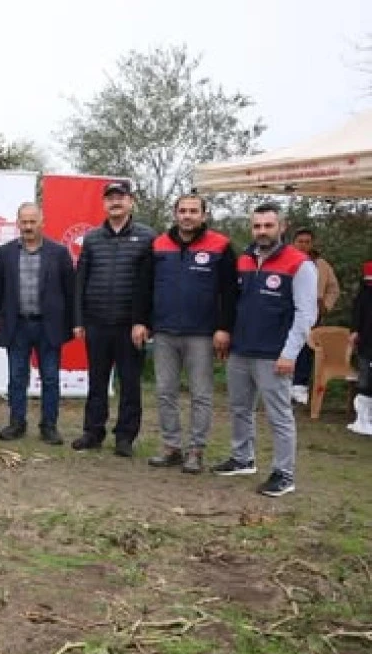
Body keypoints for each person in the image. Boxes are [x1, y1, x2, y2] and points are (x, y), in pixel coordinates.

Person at [212, 203, 317, 497]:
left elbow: (306, 313)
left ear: (282, 227)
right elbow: (235, 303)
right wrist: (228, 336)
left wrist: (290, 353)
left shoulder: (299, 263)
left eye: (268, 226)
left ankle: (285, 474)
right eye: (257, 226)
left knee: (279, 415)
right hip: (241, 349)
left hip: (274, 354)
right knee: (239, 408)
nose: (262, 231)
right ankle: (243, 458)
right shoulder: (244, 259)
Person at [133, 195, 237, 474]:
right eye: (183, 211)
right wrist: (140, 321)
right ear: (175, 214)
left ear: (204, 215)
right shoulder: (158, 245)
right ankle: (171, 447)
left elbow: (230, 292)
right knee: (165, 392)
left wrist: (224, 327)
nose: (187, 216)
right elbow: (144, 287)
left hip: (202, 335)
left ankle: (196, 450)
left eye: (193, 211)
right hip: (165, 332)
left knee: (201, 394)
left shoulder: (221, 246)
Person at [71, 180, 156, 457]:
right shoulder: (93, 238)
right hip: (96, 323)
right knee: (96, 381)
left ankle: (125, 437)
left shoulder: (147, 237)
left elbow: (152, 284)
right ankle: (93, 432)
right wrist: (79, 320)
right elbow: (80, 280)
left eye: (121, 197)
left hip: (130, 326)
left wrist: (145, 322)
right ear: (104, 203)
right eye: (110, 198)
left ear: (131, 202)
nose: (115, 202)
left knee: (130, 384)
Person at [0, 203, 75, 445]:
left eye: (33, 222)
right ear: (17, 223)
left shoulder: (59, 253)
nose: (28, 227)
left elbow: (70, 291)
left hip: (48, 326)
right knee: (17, 377)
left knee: (50, 377)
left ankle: (49, 426)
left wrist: (73, 323)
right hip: (16, 325)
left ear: (42, 222)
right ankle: (17, 423)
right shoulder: (5, 252)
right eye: (24, 222)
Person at [289, 227, 341, 405]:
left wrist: (324, 306)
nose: (303, 245)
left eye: (307, 242)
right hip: (288, 311)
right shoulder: (284, 260)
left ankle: (300, 387)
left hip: (312, 313)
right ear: (294, 243)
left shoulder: (322, 265)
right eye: (300, 241)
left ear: (312, 244)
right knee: (286, 346)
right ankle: (283, 385)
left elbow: (333, 288)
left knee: (306, 348)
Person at [349, 260, 372, 436]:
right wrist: (355, 332)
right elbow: (357, 316)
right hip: (366, 344)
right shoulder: (363, 295)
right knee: (365, 379)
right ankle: (362, 418)